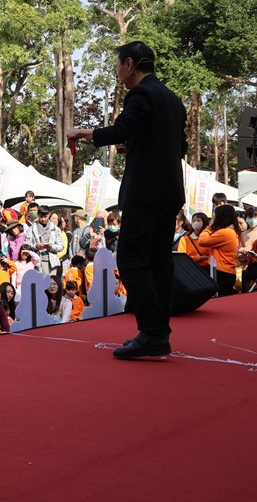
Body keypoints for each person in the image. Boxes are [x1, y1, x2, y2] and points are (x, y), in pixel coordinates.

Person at [66, 40, 187, 359]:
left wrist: (83, 133)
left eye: (119, 65)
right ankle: (158, 332)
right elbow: (179, 147)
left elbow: (121, 129)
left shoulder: (141, 94)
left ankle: (152, 332)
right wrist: (135, 146)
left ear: (130, 64)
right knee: (160, 260)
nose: (118, 72)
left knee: (131, 259)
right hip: (170, 191)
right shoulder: (172, 100)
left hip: (145, 191)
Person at [198, 205, 241, 296]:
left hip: (220, 272)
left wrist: (208, 228)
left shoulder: (224, 233)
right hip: (228, 272)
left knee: (218, 299)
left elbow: (201, 242)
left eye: (215, 216)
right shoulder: (234, 231)